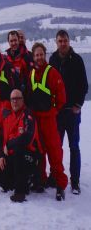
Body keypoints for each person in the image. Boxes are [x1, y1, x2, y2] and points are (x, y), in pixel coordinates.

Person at [27, 42, 68, 200]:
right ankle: (41, 180)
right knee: (39, 152)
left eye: (41, 54)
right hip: (36, 120)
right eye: (36, 55)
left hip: (49, 120)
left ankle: (60, 185)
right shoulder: (31, 73)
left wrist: (54, 111)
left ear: (45, 55)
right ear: (33, 56)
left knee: (54, 153)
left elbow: (61, 98)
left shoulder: (52, 73)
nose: (39, 57)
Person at [49, 29, 88, 195]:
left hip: (72, 113)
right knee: (56, 147)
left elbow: (84, 85)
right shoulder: (52, 59)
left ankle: (75, 181)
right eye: (60, 41)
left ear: (69, 41)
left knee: (74, 147)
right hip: (57, 113)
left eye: (65, 40)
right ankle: (55, 176)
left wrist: (78, 105)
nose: (62, 43)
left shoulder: (77, 60)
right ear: (56, 42)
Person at [0, 90, 40, 203]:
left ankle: (20, 191)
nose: (15, 101)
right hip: (13, 156)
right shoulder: (8, 117)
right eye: (12, 99)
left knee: (18, 150)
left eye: (17, 98)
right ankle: (19, 181)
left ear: (23, 100)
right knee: (1, 173)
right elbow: (2, 139)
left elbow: (26, 138)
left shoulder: (28, 115)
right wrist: (1, 156)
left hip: (28, 156)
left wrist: (9, 144)